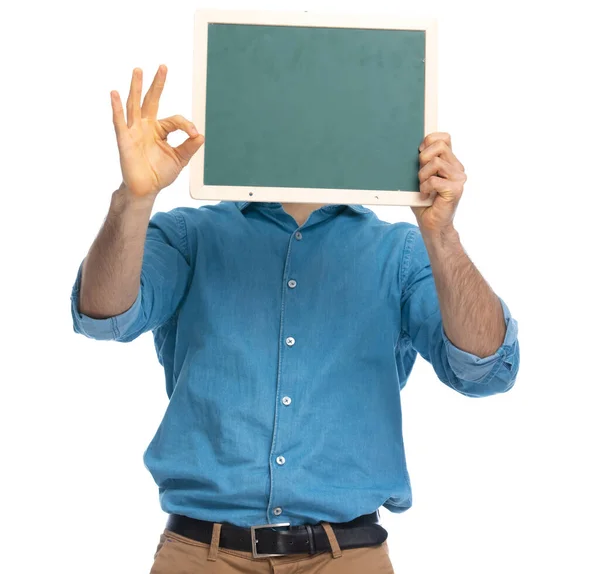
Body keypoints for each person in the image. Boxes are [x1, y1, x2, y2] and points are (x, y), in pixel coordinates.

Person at [71, 64, 520, 574]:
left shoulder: (400, 252)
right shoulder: (190, 235)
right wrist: (135, 198)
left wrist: (441, 233)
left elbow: (485, 369)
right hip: (201, 554)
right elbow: (102, 315)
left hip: (347, 556)